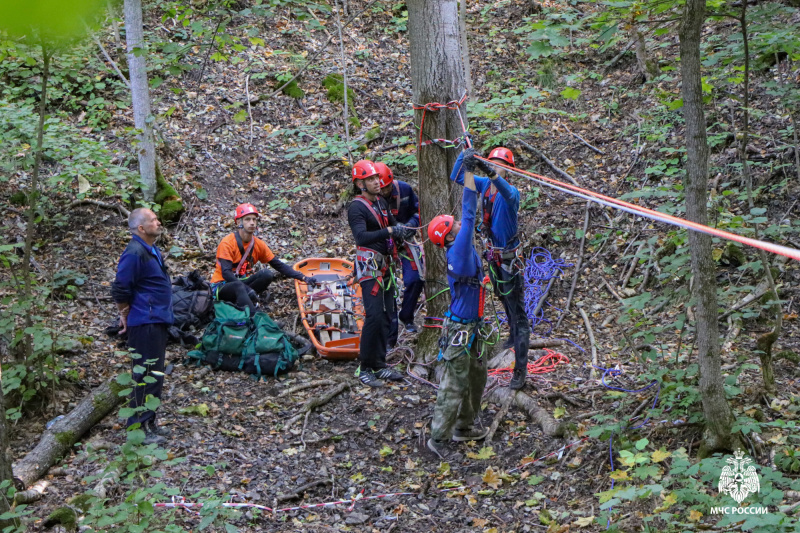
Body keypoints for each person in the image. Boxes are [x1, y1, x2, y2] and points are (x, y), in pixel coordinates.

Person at [450, 146, 530, 390]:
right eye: (492, 162)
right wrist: (464, 159)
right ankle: (512, 336)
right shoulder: (483, 186)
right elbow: (457, 177)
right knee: (504, 301)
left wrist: (491, 172)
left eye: (500, 164)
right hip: (494, 259)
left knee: (518, 315)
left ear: (508, 170)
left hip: (509, 261)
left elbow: (506, 192)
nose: (495, 165)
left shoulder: (511, 193)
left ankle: (520, 369)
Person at [426, 153, 490, 458]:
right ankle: (438, 438)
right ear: (450, 233)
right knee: (453, 383)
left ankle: (465, 426)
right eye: (455, 225)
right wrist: (467, 172)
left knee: (478, 375)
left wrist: (467, 168)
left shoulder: (458, 248)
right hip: (460, 329)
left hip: (473, 326)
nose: (459, 225)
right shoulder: (460, 249)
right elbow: (469, 209)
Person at [348, 160, 417, 387]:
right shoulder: (356, 207)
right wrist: (388, 230)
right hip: (369, 267)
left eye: (377, 178)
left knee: (388, 314)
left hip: (385, 265)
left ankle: (379, 364)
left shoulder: (380, 202)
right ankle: (365, 366)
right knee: (374, 316)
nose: (377, 182)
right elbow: (361, 237)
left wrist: (402, 231)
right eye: (370, 179)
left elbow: (393, 223)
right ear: (360, 184)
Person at [111, 208, 174, 445]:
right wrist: (124, 313)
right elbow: (121, 286)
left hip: (156, 320)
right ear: (141, 228)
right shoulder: (134, 252)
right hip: (144, 321)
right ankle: (137, 429)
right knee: (144, 375)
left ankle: (149, 423)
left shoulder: (151, 249)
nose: (158, 222)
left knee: (154, 376)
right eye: (153, 220)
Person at [210, 203, 319, 316]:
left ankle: (243, 299)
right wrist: (247, 289)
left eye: (254, 219)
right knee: (239, 287)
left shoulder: (258, 244)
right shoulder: (227, 243)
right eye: (247, 219)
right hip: (222, 286)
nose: (252, 222)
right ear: (238, 222)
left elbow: (278, 265)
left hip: (241, 283)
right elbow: (226, 273)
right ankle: (257, 317)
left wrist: (303, 277)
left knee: (266, 274)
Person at [374, 162, 424, 336]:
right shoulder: (371, 200)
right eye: (382, 189)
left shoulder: (404, 190)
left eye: (387, 188)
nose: (385, 191)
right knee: (385, 287)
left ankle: (407, 316)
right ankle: (390, 329)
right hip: (383, 245)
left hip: (405, 241)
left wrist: (409, 227)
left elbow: (419, 212)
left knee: (416, 278)